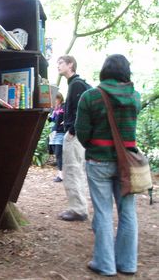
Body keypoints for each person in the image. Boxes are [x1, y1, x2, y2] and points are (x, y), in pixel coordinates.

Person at [76, 54, 140, 276]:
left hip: (98, 161)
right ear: (125, 72)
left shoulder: (90, 96)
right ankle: (128, 263)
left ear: (105, 71)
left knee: (103, 213)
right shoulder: (135, 97)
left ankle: (105, 264)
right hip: (128, 164)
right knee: (128, 211)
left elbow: (82, 132)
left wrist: (94, 146)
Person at [57, 55, 91, 221]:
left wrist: (72, 130)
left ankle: (78, 209)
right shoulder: (76, 84)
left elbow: (80, 111)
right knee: (74, 169)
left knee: (72, 169)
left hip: (75, 136)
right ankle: (78, 207)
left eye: (61, 63)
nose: (58, 66)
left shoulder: (76, 84)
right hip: (78, 136)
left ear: (71, 65)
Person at [48, 92, 65, 182]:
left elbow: (60, 119)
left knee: (58, 154)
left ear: (59, 98)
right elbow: (52, 120)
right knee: (56, 154)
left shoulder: (63, 107)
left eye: (56, 99)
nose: (54, 101)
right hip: (54, 133)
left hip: (60, 133)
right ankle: (61, 173)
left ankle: (61, 175)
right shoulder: (54, 109)